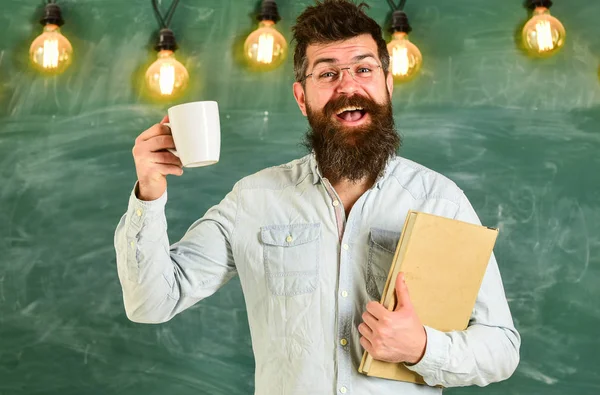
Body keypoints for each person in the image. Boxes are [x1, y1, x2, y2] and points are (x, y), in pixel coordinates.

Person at [114, 0, 520, 393]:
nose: (348, 86)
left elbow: (501, 348)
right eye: (327, 74)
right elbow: (151, 302)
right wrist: (149, 192)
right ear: (301, 97)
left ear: (387, 85)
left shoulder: (440, 202)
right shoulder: (253, 200)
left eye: (363, 69)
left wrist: (422, 348)